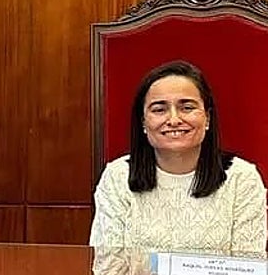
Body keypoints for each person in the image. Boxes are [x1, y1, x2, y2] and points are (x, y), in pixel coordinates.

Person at [90, 60, 267, 258]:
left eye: (187, 107)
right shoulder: (117, 177)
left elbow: (249, 270)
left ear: (207, 118)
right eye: (159, 110)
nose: (174, 120)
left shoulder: (242, 179)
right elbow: (108, 268)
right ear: (143, 122)